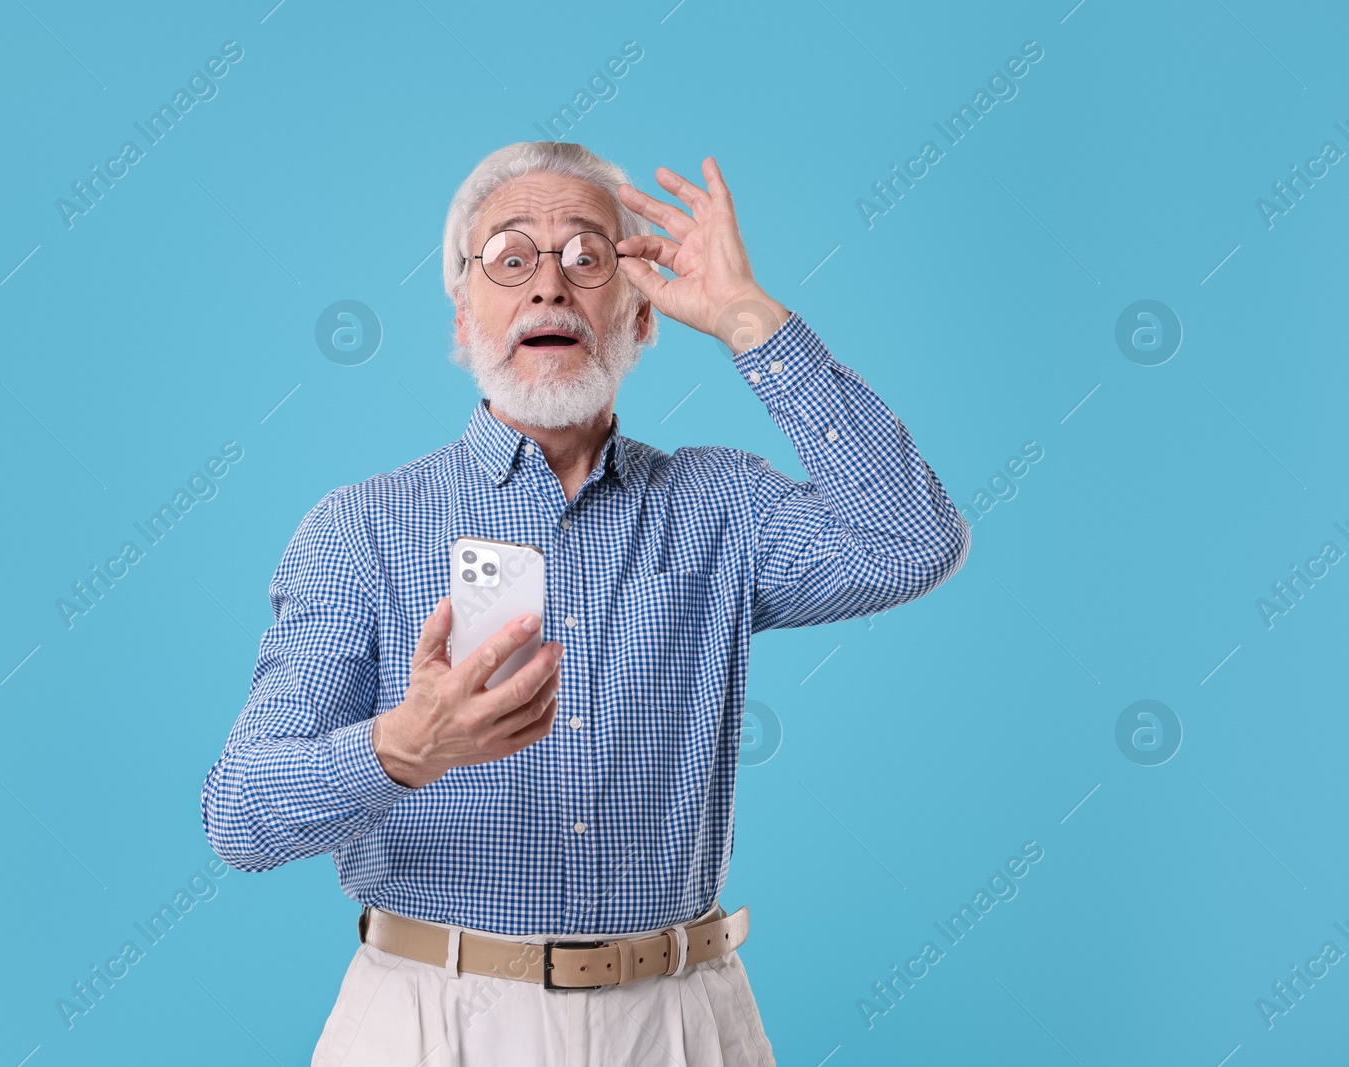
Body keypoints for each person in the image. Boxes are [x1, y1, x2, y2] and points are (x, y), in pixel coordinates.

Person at [200, 140, 970, 1065]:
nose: (550, 286)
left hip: (683, 1022)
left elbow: (914, 539)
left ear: (642, 317)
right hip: (431, 1023)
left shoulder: (717, 507)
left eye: (588, 258)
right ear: (461, 314)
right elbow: (239, 817)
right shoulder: (363, 528)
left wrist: (749, 320)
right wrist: (400, 749)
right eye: (512, 257)